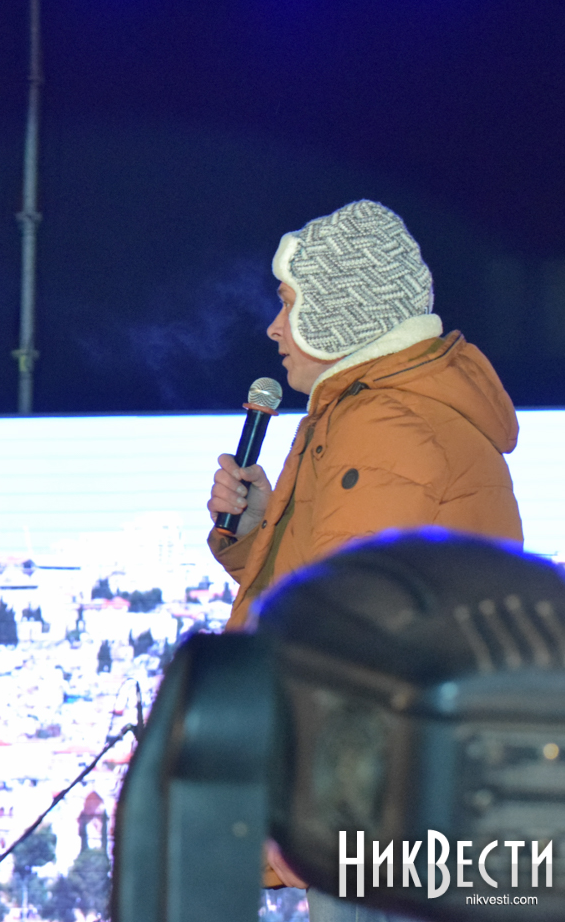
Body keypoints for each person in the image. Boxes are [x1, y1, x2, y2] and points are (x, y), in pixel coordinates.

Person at [205, 199, 523, 921]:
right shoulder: (400, 408)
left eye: (290, 303)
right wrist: (260, 529)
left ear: (340, 310)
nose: (273, 327)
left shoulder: (379, 419)